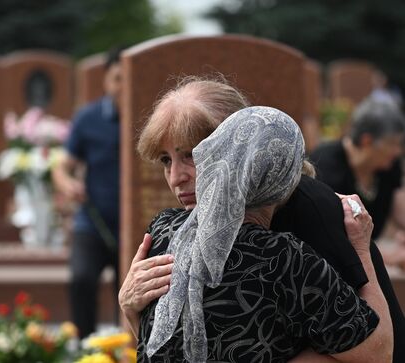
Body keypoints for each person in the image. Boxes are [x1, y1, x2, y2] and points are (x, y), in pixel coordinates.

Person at [118, 77, 404, 361]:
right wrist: (130, 306)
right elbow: (167, 343)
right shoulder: (176, 226)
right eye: (166, 160)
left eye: (192, 155)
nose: (175, 178)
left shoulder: (306, 218)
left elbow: (372, 348)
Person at [52, 47, 123, 339]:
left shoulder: (152, 117)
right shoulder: (88, 118)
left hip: (136, 227)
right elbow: (61, 167)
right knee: (81, 278)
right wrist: (68, 184)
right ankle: (85, 347)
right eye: (118, 78)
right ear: (106, 81)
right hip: (92, 222)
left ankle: (129, 349)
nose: (123, 86)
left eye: (130, 78)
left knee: (132, 290)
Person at [310, 96, 405, 241]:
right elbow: (328, 236)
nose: (398, 151)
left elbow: (400, 209)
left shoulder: (388, 165)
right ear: (366, 141)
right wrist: (387, 256)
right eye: (392, 143)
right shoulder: (325, 167)